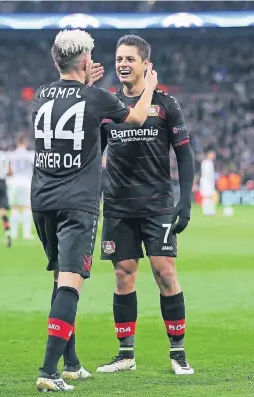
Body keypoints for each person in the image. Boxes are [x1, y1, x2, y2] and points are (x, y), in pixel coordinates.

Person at [31, 29, 158, 392]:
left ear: (57, 61)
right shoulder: (98, 97)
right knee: (71, 282)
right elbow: (135, 119)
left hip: (42, 199)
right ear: (87, 62)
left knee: (59, 279)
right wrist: (149, 84)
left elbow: (73, 107)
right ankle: (49, 371)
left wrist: (83, 81)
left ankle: (71, 364)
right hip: (77, 203)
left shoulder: (40, 95)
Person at [95, 35, 195, 375]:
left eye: (130, 59)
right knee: (124, 275)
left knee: (165, 273)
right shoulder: (108, 107)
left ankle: (178, 353)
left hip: (157, 205)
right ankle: (125, 354)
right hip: (118, 207)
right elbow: (94, 155)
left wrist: (186, 202)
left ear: (145, 64)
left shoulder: (165, 104)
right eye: (119, 58)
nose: (122, 64)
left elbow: (184, 152)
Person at [8, 135, 35, 239]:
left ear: (17, 142)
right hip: (27, 182)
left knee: (15, 207)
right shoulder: (31, 155)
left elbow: (9, 170)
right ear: (26, 142)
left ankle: (13, 234)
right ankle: (26, 234)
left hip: (14, 182)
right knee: (27, 208)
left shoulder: (11, 155)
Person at [200, 148, 216, 216]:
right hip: (206, 182)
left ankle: (209, 210)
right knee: (207, 196)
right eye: (212, 154)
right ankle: (207, 211)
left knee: (209, 196)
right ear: (208, 155)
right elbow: (207, 174)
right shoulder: (206, 162)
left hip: (209, 182)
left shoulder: (210, 162)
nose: (214, 155)